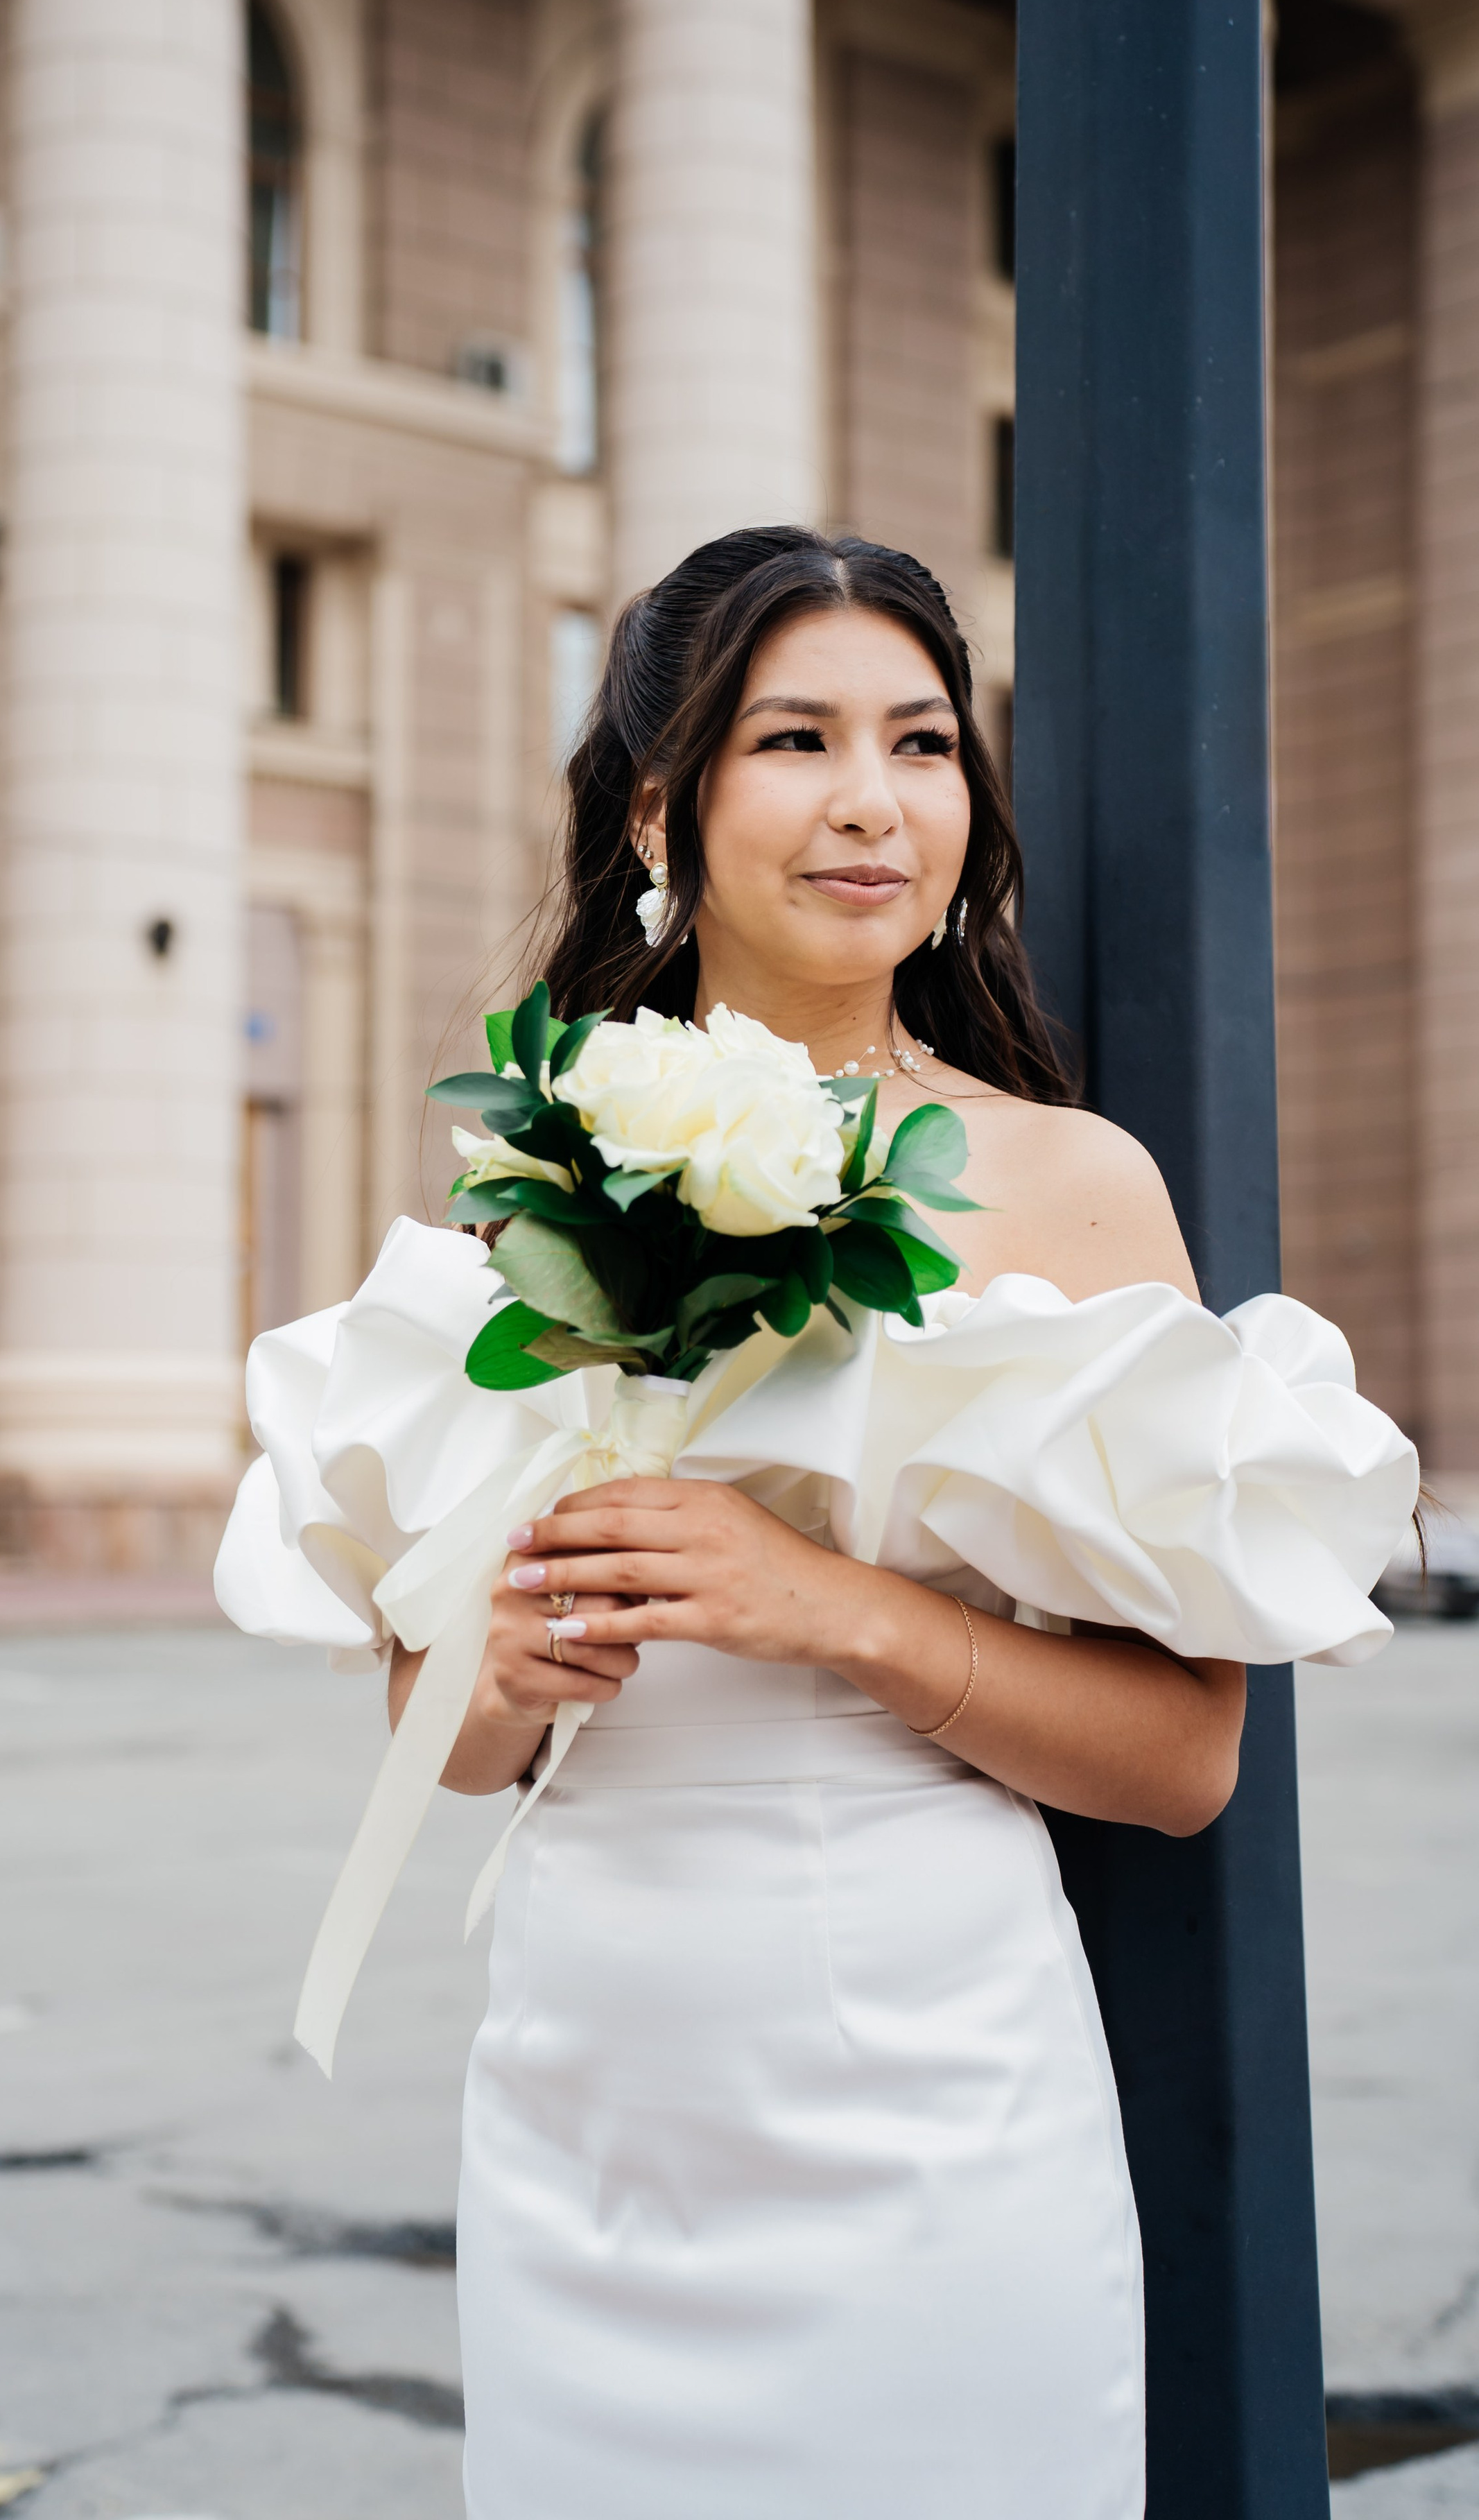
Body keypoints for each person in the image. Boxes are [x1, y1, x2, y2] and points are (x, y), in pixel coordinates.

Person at [216, 527, 1417, 2520]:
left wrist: (831, 1609)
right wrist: (500, 1669)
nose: (874, 801)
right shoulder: (518, 1178)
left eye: (925, 744)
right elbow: (463, 1746)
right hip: (590, 2103)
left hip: (927, 2102)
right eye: (799, 739)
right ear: (664, 806)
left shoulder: (1067, 1184)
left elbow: (1189, 1759)